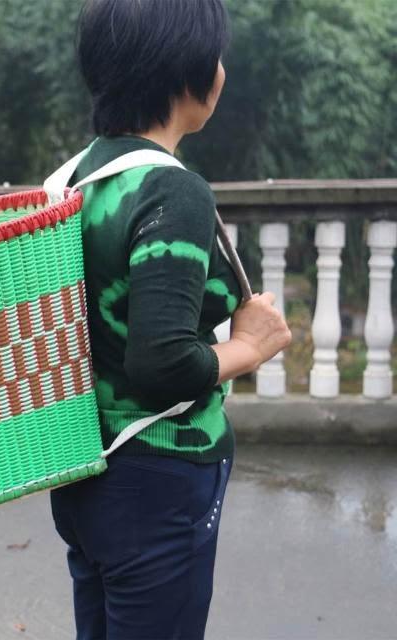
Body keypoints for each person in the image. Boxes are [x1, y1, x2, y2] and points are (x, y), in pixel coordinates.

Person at [49, 1, 292, 639]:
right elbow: (162, 366)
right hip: (158, 476)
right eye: (217, 55)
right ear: (188, 71)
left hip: (82, 468)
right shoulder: (171, 190)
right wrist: (251, 346)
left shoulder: (69, 182)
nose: (222, 70)